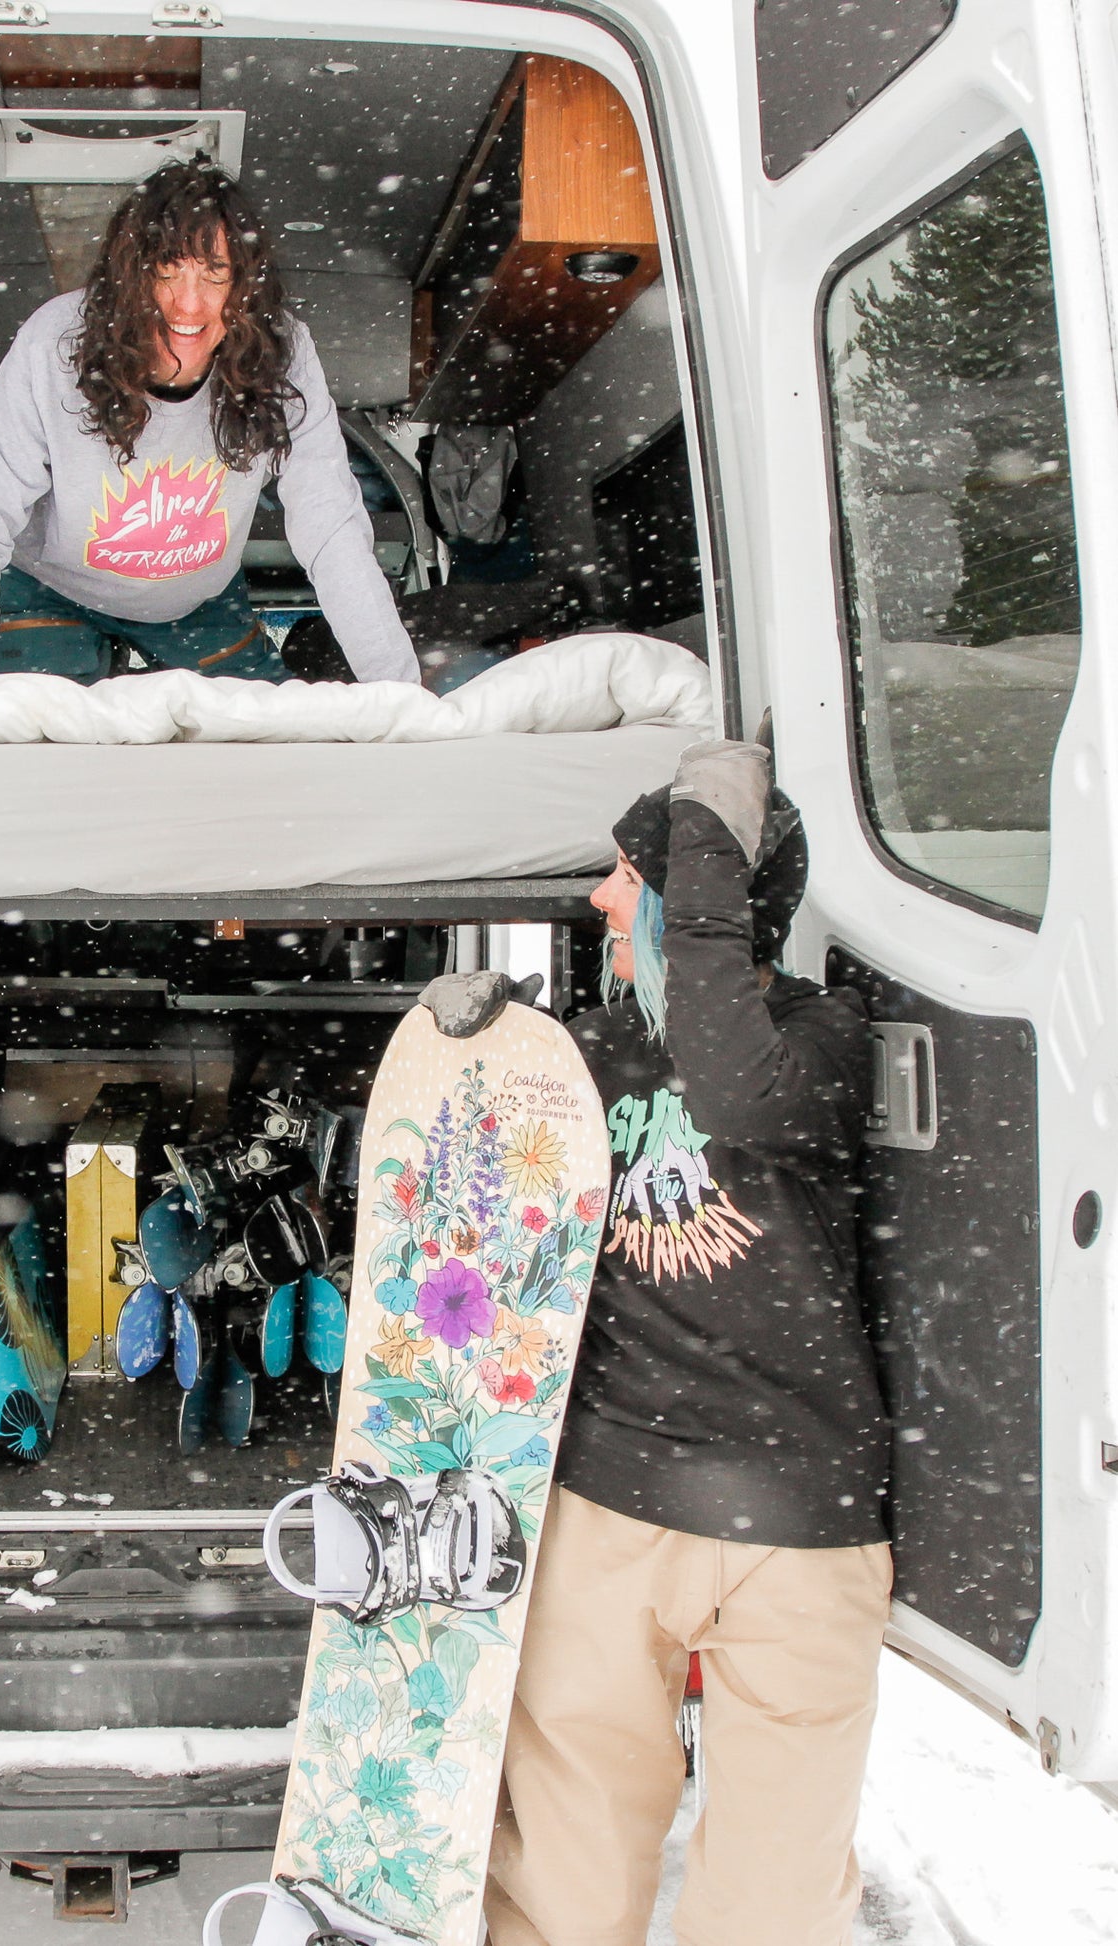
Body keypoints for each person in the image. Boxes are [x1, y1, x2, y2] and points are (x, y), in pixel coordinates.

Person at [485, 739, 892, 1946]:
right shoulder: (585, 1051)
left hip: (800, 1525)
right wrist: (471, 1058)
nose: (599, 898)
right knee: (561, 1872)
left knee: (771, 1898)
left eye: (624, 873)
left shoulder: (822, 1039)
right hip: (610, 1501)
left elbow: (735, 1090)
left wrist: (696, 865)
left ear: (698, 897)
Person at [0, 159, 419, 686]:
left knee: (268, 734)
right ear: (129, 277)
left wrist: (397, 686)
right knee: (45, 737)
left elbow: (330, 521)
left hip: (198, 604)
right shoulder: (55, 344)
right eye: (167, 271)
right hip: (45, 588)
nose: (190, 303)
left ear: (245, 287)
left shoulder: (281, 352)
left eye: (215, 273)